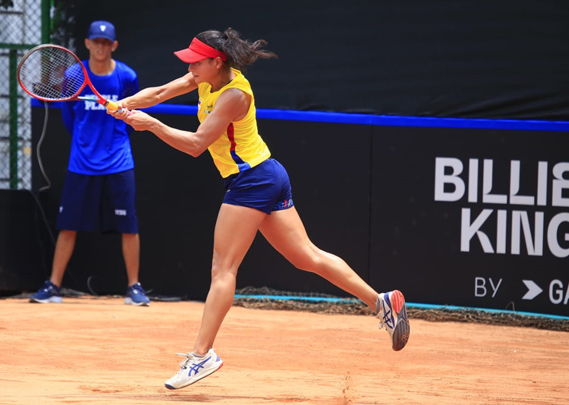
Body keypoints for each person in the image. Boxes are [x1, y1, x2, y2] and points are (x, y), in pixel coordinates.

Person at [111, 28, 410, 389]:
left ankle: (202, 354)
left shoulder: (235, 95)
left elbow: (196, 145)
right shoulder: (204, 77)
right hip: (267, 174)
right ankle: (381, 303)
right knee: (307, 257)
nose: (190, 68)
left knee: (223, 268)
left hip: (252, 180)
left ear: (216, 62)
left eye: (196, 61)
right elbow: (160, 92)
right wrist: (126, 104)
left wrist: (151, 124)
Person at [30, 20, 150, 306]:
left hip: (119, 161)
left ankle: (134, 288)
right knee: (68, 225)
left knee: (129, 226)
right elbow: (69, 115)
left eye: (106, 43)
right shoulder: (74, 74)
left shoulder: (126, 76)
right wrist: (85, 142)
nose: (101, 46)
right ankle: (53, 286)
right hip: (81, 163)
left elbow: (132, 113)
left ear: (114, 46)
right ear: (87, 43)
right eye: (96, 41)